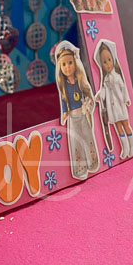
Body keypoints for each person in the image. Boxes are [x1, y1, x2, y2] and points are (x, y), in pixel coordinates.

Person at [53, 40, 99, 180]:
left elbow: (87, 93)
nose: (67, 67)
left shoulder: (80, 81)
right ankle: (80, 168)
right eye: (64, 64)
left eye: (70, 63)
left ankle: (93, 162)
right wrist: (64, 113)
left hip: (83, 114)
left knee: (88, 136)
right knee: (76, 141)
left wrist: (89, 104)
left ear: (75, 63)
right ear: (60, 67)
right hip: (73, 117)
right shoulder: (64, 86)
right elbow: (63, 100)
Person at [94, 39, 133, 158]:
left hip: (120, 105)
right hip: (112, 109)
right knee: (118, 127)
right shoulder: (105, 79)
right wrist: (100, 95)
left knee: (126, 125)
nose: (108, 64)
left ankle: (132, 147)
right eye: (104, 62)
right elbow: (104, 90)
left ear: (113, 59)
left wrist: (126, 99)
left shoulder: (117, 77)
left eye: (109, 60)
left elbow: (123, 88)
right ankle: (125, 148)